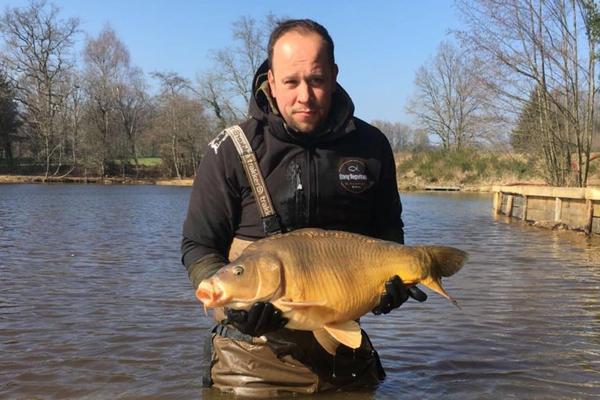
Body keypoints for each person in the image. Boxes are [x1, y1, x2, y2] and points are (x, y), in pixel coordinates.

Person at [181, 18, 426, 397]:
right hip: (249, 367)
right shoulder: (230, 149)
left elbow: (389, 234)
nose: (304, 96)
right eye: (291, 82)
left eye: (316, 80)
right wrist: (234, 308)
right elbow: (198, 246)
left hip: (346, 361)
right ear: (271, 80)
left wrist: (392, 288)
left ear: (334, 75)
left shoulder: (372, 146)